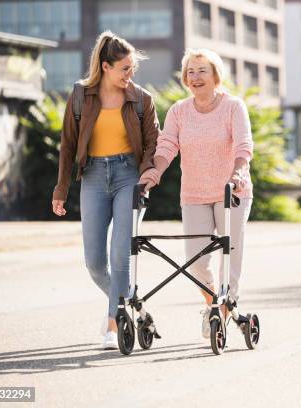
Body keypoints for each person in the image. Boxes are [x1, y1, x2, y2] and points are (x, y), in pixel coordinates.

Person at [51, 31, 160, 350]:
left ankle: (114, 322)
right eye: (125, 68)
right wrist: (61, 188)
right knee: (95, 262)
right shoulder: (80, 96)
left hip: (129, 176)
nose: (131, 74)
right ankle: (128, 303)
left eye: (132, 68)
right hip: (94, 177)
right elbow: (68, 143)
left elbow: (154, 140)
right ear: (106, 66)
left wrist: (146, 173)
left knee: (120, 254)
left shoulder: (142, 99)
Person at [138, 48, 253, 339]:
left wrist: (238, 172)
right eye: (190, 71)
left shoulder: (233, 107)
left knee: (231, 254)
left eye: (202, 70)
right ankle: (214, 304)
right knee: (195, 260)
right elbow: (166, 147)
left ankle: (224, 307)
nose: (196, 76)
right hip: (194, 194)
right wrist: (156, 172)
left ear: (216, 76)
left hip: (231, 192)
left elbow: (243, 145)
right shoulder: (179, 111)